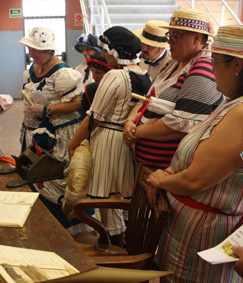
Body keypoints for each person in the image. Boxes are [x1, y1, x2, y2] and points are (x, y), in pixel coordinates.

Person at [146, 25, 243, 282]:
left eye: (215, 62)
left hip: (204, 237)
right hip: (206, 229)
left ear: (237, 65)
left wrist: (160, 179)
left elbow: (193, 181)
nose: (212, 69)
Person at [69, 26, 152, 247]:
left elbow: (94, 117)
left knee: (107, 198)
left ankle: (113, 247)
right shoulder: (144, 75)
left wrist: (74, 143)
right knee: (121, 197)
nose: (103, 55)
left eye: (106, 50)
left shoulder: (115, 75)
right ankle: (122, 243)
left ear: (117, 51)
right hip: (130, 141)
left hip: (109, 139)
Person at [123, 8, 223, 170]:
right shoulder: (174, 62)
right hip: (148, 163)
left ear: (197, 38)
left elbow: (182, 126)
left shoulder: (203, 66)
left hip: (168, 167)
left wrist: (136, 132)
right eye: (169, 36)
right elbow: (148, 99)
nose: (169, 42)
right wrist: (129, 121)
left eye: (175, 37)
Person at [18, 27, 91, 235]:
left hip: (62, 134)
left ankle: (68, 230)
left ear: (50, 51)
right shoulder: (31, 70)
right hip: (38, 131)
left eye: (37, 50)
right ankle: (46, 225)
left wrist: (47, 110)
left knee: (58, 177)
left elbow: (76, 104)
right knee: (38, 173)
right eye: (30, 49)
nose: (32, 54)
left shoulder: (63, 73)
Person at [78, 51, 115, 119]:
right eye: (92, 71)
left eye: (99, 72)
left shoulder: (120, 90)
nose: (93, 76)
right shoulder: (90, 91)